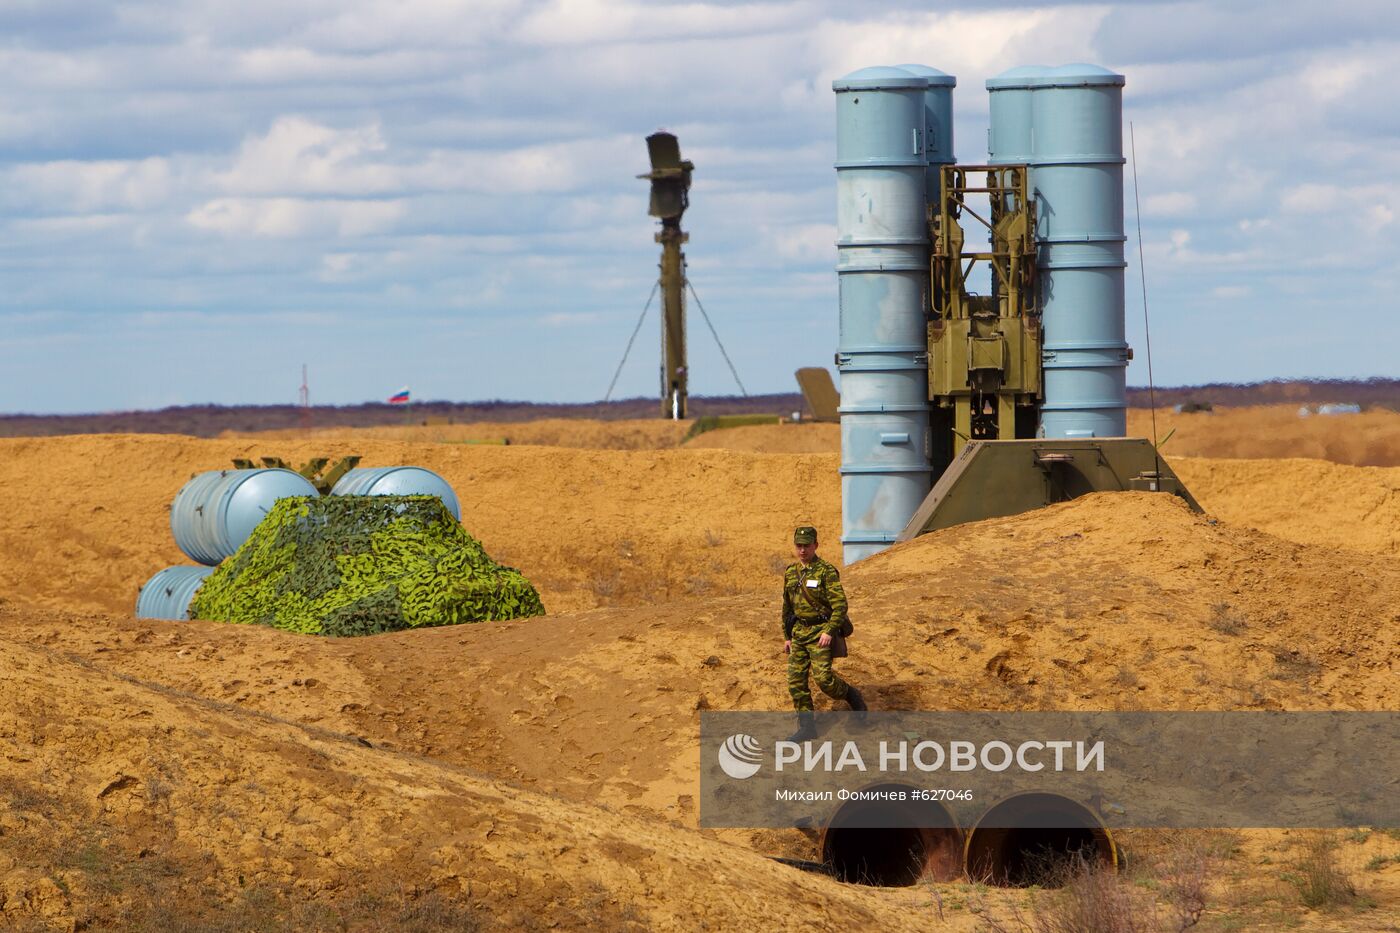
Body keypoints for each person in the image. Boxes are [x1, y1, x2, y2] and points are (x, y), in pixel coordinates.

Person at [782, 526, 866, 741]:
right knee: (796, 683)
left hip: (821, 633)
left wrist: (829, 630)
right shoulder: (791, 572)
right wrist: (787, 636)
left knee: (824, 680)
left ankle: (851, 695)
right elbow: (787, 607)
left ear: (815, 546)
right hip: (799, 634)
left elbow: (840, 606)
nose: (802, 550)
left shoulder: (826, 571)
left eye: (806, 546)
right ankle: (807, 728)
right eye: (799, 546)